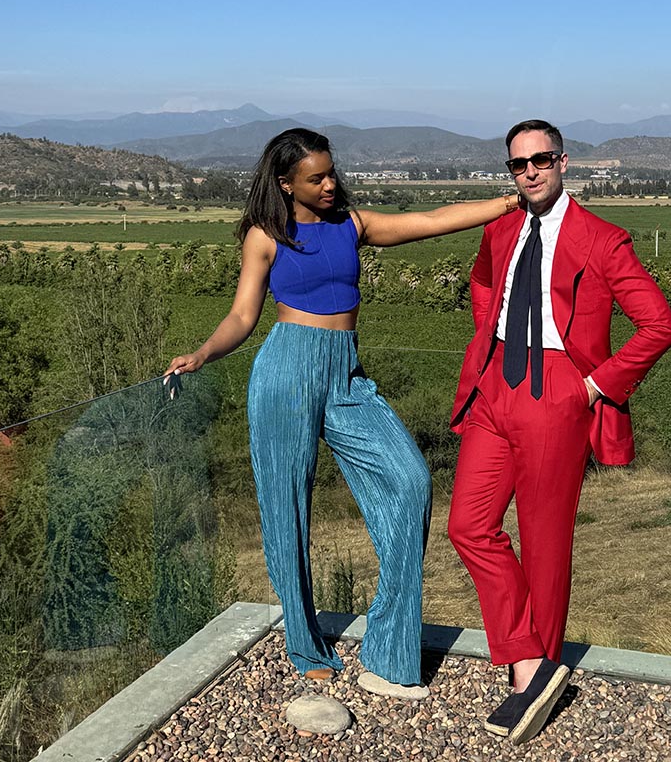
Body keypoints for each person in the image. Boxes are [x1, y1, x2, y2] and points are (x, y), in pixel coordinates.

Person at [165, 128, 519, 698]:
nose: (330, 184)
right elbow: (241, 316)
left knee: (410, 482)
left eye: (332, 173)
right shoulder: (264, 236)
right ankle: (305, 644)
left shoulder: (352, 225)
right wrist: (203, 353)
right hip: (286, 371)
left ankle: (386, 648)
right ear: (286, 184)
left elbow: (433, 220)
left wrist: (510, 202)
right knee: (287, 511)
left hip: (346, 373)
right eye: (316, 178)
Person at [447, 120, 671, 743]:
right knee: (468, 526)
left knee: (545, 545)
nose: (530, 171)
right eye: (518, 163)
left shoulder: (602, 240)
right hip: (496, 381)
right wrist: (489, 340)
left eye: (541, 159)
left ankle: (531, 684)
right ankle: (531, 658)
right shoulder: (500, 227)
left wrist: (593, 386)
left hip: (560, 392)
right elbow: (484, 282)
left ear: (563, 162)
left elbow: (659, 325)